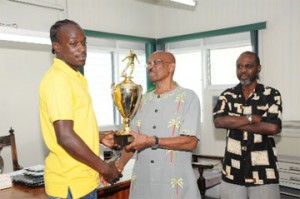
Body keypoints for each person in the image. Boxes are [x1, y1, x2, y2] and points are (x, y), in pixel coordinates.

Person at [39, 19, 121, 199]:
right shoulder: (58, 79)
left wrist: (99, 137)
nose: (82, 48)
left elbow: (74, 128)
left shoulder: (75, 77)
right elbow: (65, 137)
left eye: (83, 43)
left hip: (84, 180)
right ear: (57, 47)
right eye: (73, 44)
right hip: (71, 184)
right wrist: (105, 168)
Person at [116, 51, 201, 199]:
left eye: (156, 62)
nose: (151, 67)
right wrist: (118, 166)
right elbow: (132, 141)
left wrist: (152, 141)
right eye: (148, 64)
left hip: (174, 184)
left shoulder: (188, 97)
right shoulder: (141, 100)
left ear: (171, 67)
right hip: (144, 182)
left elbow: (190, 142)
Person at [213, 51, 282, 199]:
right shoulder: (227, 95)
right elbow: (218, 121)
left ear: (258, 68)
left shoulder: (271, 94)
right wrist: (251, 118)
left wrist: (233, 122)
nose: (243, 70)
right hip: (232, 171)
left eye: (248, 66)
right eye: (239, 66)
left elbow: (273, 127)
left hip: (263, 171)